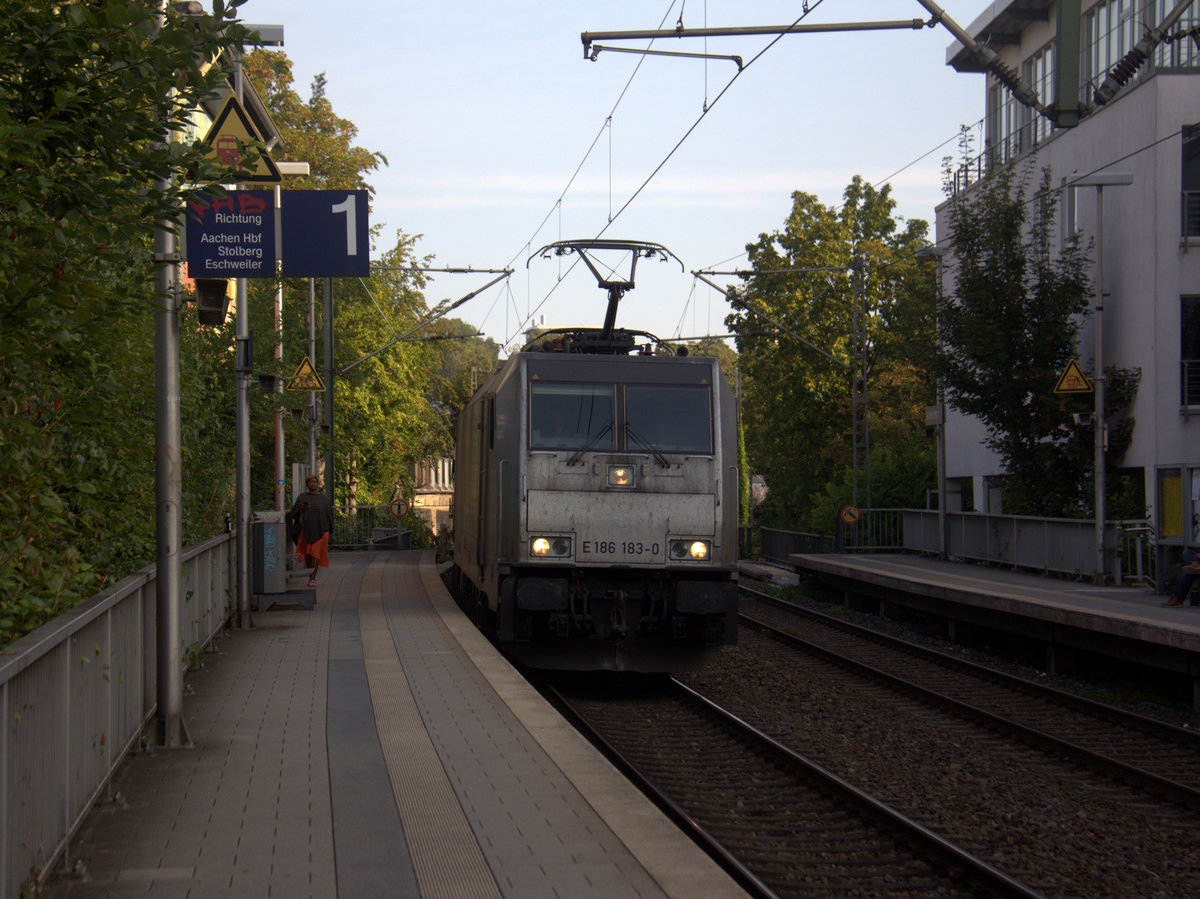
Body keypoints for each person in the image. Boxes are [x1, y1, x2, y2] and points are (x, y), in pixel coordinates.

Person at [292, 475, 334, 588]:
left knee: (315, 553)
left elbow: (329, 513)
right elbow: (293, 513)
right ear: (307, 484)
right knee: (308, 554)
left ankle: (312, 578)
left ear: (318, 484)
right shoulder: (302, 497)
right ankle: (310, 574)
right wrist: (301, 509)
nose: (313, 484)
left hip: (321, 530)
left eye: (315, 482)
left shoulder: (323, 498)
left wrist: (329, 529)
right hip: (306, 530)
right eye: (310, 482)